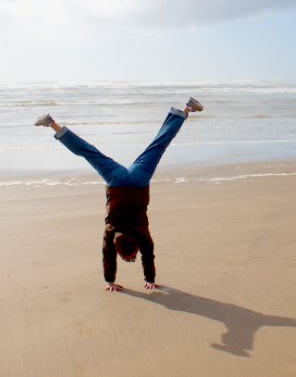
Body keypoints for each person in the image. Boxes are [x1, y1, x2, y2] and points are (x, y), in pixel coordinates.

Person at [34, 98, 203, 292]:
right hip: (117, 181)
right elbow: (108, 256)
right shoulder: (111, 232)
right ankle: (51, 123)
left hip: (139, 181)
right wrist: (110, 281)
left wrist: (150, 279)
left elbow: (148, 255)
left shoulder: (141, 234)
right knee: (90, 153)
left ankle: (188, 107)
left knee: (158, 145)